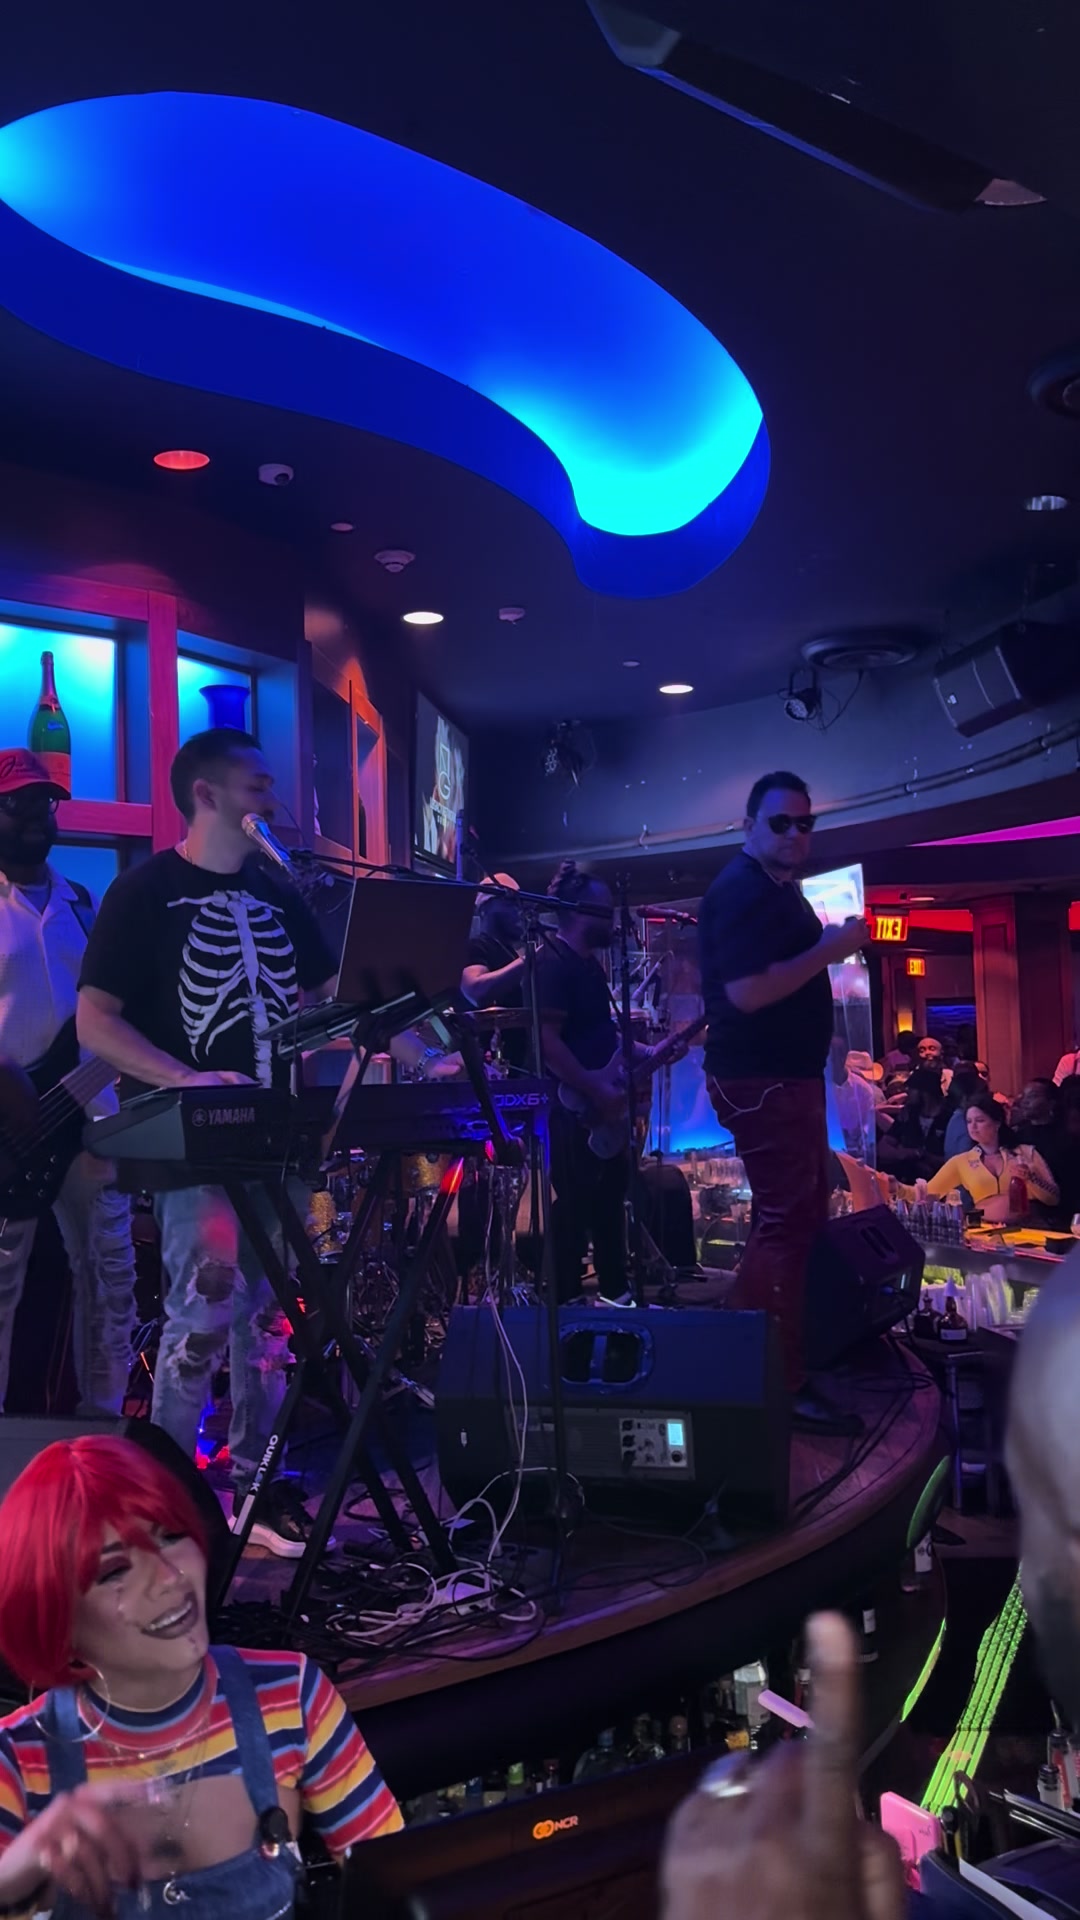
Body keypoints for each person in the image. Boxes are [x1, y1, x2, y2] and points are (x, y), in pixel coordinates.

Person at [76, 730, 338, 1557]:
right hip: (194, 1147)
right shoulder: (144, 892)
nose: (272, 801)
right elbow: (96, 1023)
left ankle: (258, 1494)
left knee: (271, 1329)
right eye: (257, 786)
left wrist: (421, 1035)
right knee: (199, 1320)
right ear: (207, 794)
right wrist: (185, 1078)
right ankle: (169, 1507)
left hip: (279, 1140)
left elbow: (332, 997)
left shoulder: (279, 892)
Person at [0, 1435, 400, 1920]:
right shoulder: (15, 1760)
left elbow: (396, 1883)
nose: (169, 1577)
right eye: (115, 1571)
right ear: (55, 1616)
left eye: (170, 1536)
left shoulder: (291, 1695)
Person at [698, 772, 871, 1431]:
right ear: (748, 826)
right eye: (781, 822)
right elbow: (746, 992)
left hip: (777, 1077)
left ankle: (752, 1362)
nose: (796, 833)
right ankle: (777, 1380)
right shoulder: (742, 890)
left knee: (791, 1221)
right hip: (763, 1080)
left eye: (805, 823)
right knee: (788, 1223)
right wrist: (829, 948)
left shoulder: (770, 887)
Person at [0, 747, 136, 1417]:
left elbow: (113, 1008)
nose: (37, 814)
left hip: (89, 1113)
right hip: (9, 1125)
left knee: (110, 1278)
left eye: (47, 802)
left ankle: (103, 1431)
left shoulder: (84, 902)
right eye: (19, 802)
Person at [536, 861, 661, 1302]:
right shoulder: (553, 963)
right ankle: (566, 1304)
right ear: (577, 911)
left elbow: (601, 1036)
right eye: (604, 911)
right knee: (575, 1204)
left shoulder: (590, 966)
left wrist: (650, 1052)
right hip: (572, 1107)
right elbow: (547, 1042)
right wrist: (595, 1088)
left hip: (597, 1101)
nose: (612, 919)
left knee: (609, 1200)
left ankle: (616, 1295)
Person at [919, 1091, 1058, 1222]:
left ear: (997, 1123)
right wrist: (905, 1191)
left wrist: (1031, 1177)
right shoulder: (961, 1161)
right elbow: (926, 1192)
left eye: (980, 1120)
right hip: (985, 1231)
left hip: (1029, 1228)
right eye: (969, 1121)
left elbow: (1053, 1198)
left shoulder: (1026, 1153)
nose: (973, 1127)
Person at [876, 1068, 949, 1183]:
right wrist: (906, 1154)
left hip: (941, 1183)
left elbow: (954, 1160)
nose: (907, 1092)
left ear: (925, 1092)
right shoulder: (909, 1114)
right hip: (906, 1181)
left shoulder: (948, 1118)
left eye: (912, 1088)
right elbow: (883, 1148)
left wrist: (924, 1156)